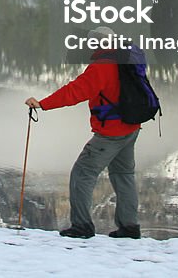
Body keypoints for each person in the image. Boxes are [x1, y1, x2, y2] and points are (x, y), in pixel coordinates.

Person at [25, 25, 141, 239]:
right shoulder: (128, 60)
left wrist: (42, 104)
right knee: (123, 175)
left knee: (82, 173)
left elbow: (74, 92)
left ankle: (82, 227)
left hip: (111, 133)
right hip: (131, 127)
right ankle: (129, 227)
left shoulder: (102, 67)